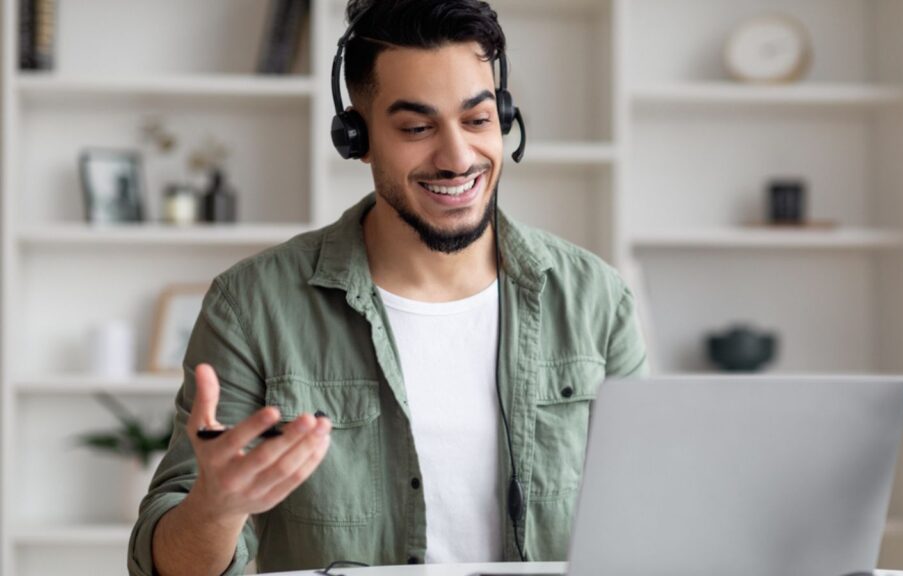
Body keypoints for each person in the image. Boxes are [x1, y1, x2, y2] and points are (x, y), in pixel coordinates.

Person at [128, 1, 647, 574]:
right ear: (357, 137)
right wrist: (214, 510)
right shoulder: (252, 305)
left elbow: (651, 513)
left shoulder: (597, 299)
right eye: (417, 128)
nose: (457, 159)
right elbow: (164, 565)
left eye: (477, 120)